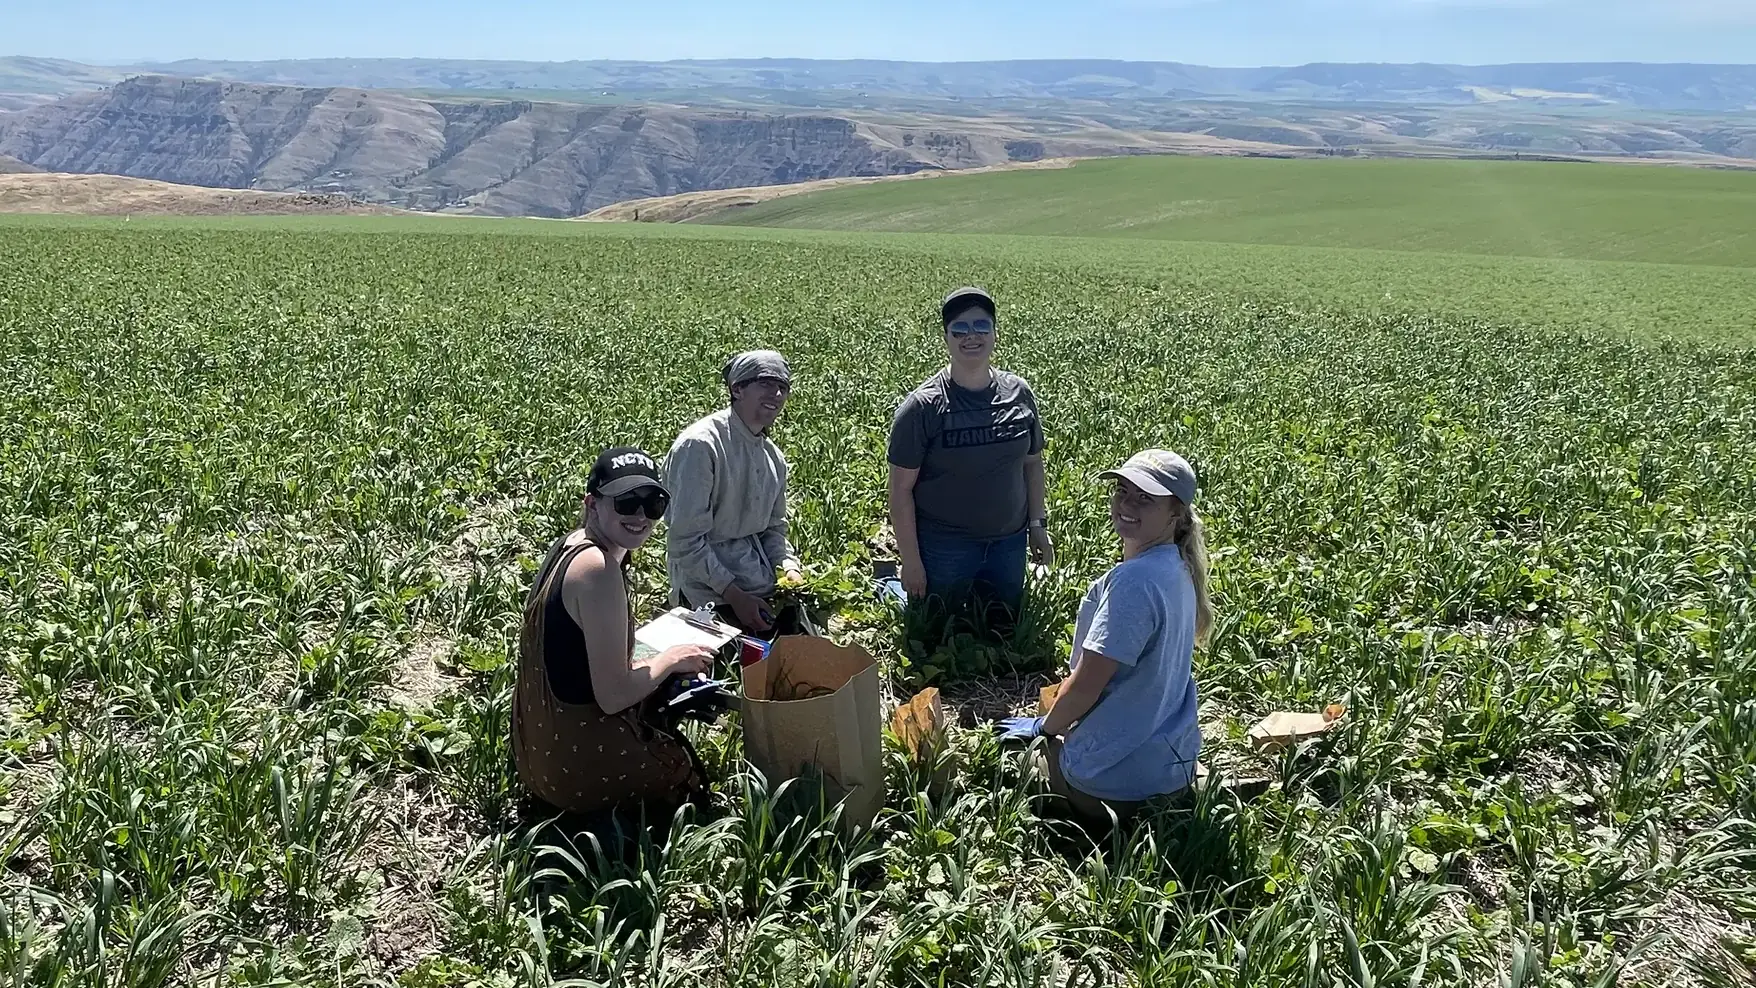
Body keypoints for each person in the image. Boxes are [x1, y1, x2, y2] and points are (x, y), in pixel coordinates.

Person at [999, 449, 1215, 825]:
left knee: (1008, 758)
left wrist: (1043, 728)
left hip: (1112, 787)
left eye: (1145, 498)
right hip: (1169, 772)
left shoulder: (1134, 584)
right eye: (1122, 491)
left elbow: (1086, 686)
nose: (1127, 504)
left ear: (1175, 513)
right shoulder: (1177, 567)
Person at [512, 446, 719, 828]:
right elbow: (612, 696)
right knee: (684, 775)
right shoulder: (597, 569)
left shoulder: (571, 545)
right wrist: (668, 659)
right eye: (626, 502)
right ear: (593, 504)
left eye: (653, 504)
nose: (640, 516)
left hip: (535, 756)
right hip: (572, 776)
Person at [887, 286, 1053, 622]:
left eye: (981, 327)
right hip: (945, 546)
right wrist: (912, 561)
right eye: (959, 329)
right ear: (946, 338)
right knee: (934, 626)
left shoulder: (1019, 394)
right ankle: (889, 584)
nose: (971, 337)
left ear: (995, 333)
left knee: (1003, 625)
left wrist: (1037, 525)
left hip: (1008, 543)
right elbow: (900, 490)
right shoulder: (922, 407)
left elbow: (1033, 465)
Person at [665, 350, 807, 637]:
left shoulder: (773, 458)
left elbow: (773, 530)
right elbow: (685, 542)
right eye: (766, 383)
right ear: (737, 389)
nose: (777, 393)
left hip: (760, 583)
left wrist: (788, 569)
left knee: (806, 663)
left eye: (783, 387)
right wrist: (735, 595)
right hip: (707, 591)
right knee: (739, 674)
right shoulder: (701, 446)